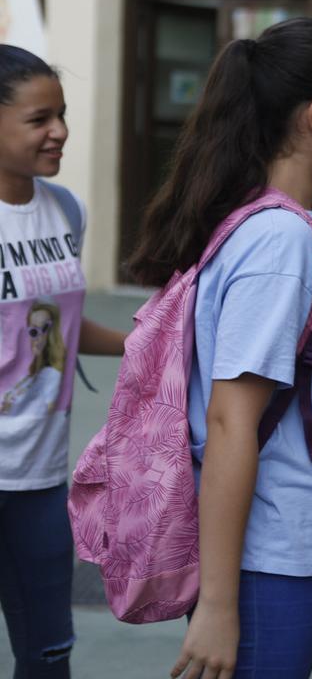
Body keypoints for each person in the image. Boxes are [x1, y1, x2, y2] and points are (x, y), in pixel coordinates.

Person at [127, 18, 312, 678]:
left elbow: (308, 396)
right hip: (266, 554)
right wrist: (222, 605)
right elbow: (232, 419)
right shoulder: (280, 242)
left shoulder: (276, 224)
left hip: (279, 539)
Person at [0, 44, 126, 677]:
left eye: (64, 114)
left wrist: (148, 340)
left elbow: (53, 331)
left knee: (49, 654)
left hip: (40, 475)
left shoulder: (64, 209)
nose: (60, 132)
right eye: (39, 118)